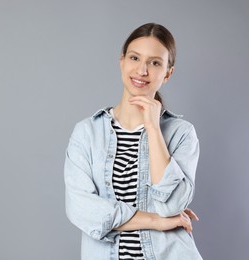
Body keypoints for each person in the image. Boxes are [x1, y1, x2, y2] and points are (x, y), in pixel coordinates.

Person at [64, 23, 203, 260]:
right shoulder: (87, 133)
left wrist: (152, 128)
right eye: (135, 58)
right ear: (122, 61)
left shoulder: (181, 134)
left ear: (168, 73)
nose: (142, 70)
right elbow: (82, 209)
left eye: (155, 62)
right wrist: (156, 221)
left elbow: (171, 206)